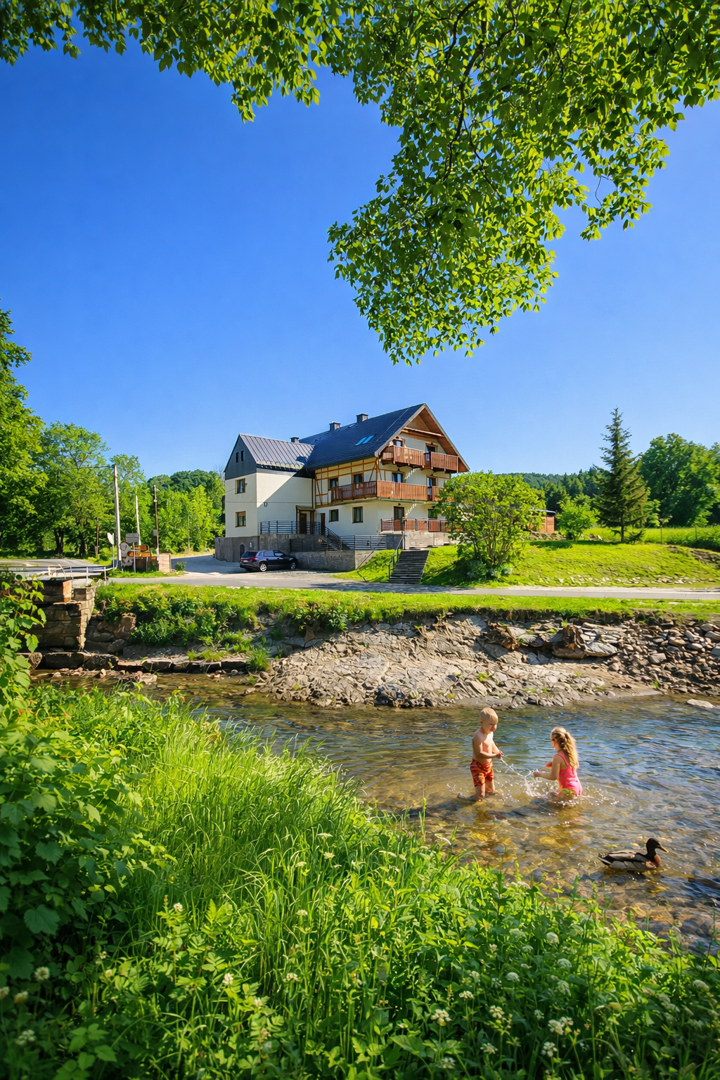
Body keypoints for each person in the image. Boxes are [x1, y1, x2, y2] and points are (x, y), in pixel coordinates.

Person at [533, 726, 582, 799]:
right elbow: (568, 767)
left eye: (551, 740)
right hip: (577, 787)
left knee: (549, 805)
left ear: (555, 740)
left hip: (567, 789)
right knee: (549, 795)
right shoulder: (571, 754)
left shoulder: (557, 757)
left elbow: (553, 776)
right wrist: (554, 765)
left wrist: (539, 774)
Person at [470, 707, 503, 799]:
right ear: (481, 722)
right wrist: (494, 755)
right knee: (481, 795)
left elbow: (491, 743)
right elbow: (479, 753)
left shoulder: (490, 732)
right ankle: (466, 799)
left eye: (496, 724)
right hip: (478, 767)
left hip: (488, 766)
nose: (494, 727)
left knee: (491, 792)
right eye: (491, 724)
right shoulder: (478, 735)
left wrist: (497, 751)